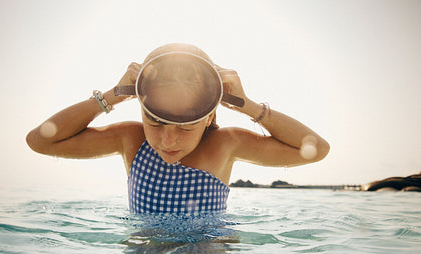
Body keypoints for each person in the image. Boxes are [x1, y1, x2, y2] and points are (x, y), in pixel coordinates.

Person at [26, 43, 330, 214]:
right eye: (155, 122)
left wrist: (247, 105)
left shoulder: (225, 144)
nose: (168, 140)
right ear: (141, 109)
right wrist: (111, 96)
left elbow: (316, 149)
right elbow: (40, 141)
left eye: (185, 127)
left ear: (209, 117)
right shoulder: (131, 140)